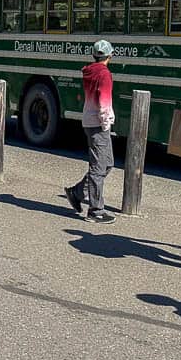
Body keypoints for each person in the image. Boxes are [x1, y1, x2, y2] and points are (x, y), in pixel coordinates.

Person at [64, 40, 116, 224]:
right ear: (109, 56)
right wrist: (106, 123)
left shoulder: (90, 71)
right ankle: (96, 210)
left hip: (89, 120)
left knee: (107, 163)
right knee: (99, 167)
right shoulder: (104, 74)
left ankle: (76, 193)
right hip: (98, 124)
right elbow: (104, 101)